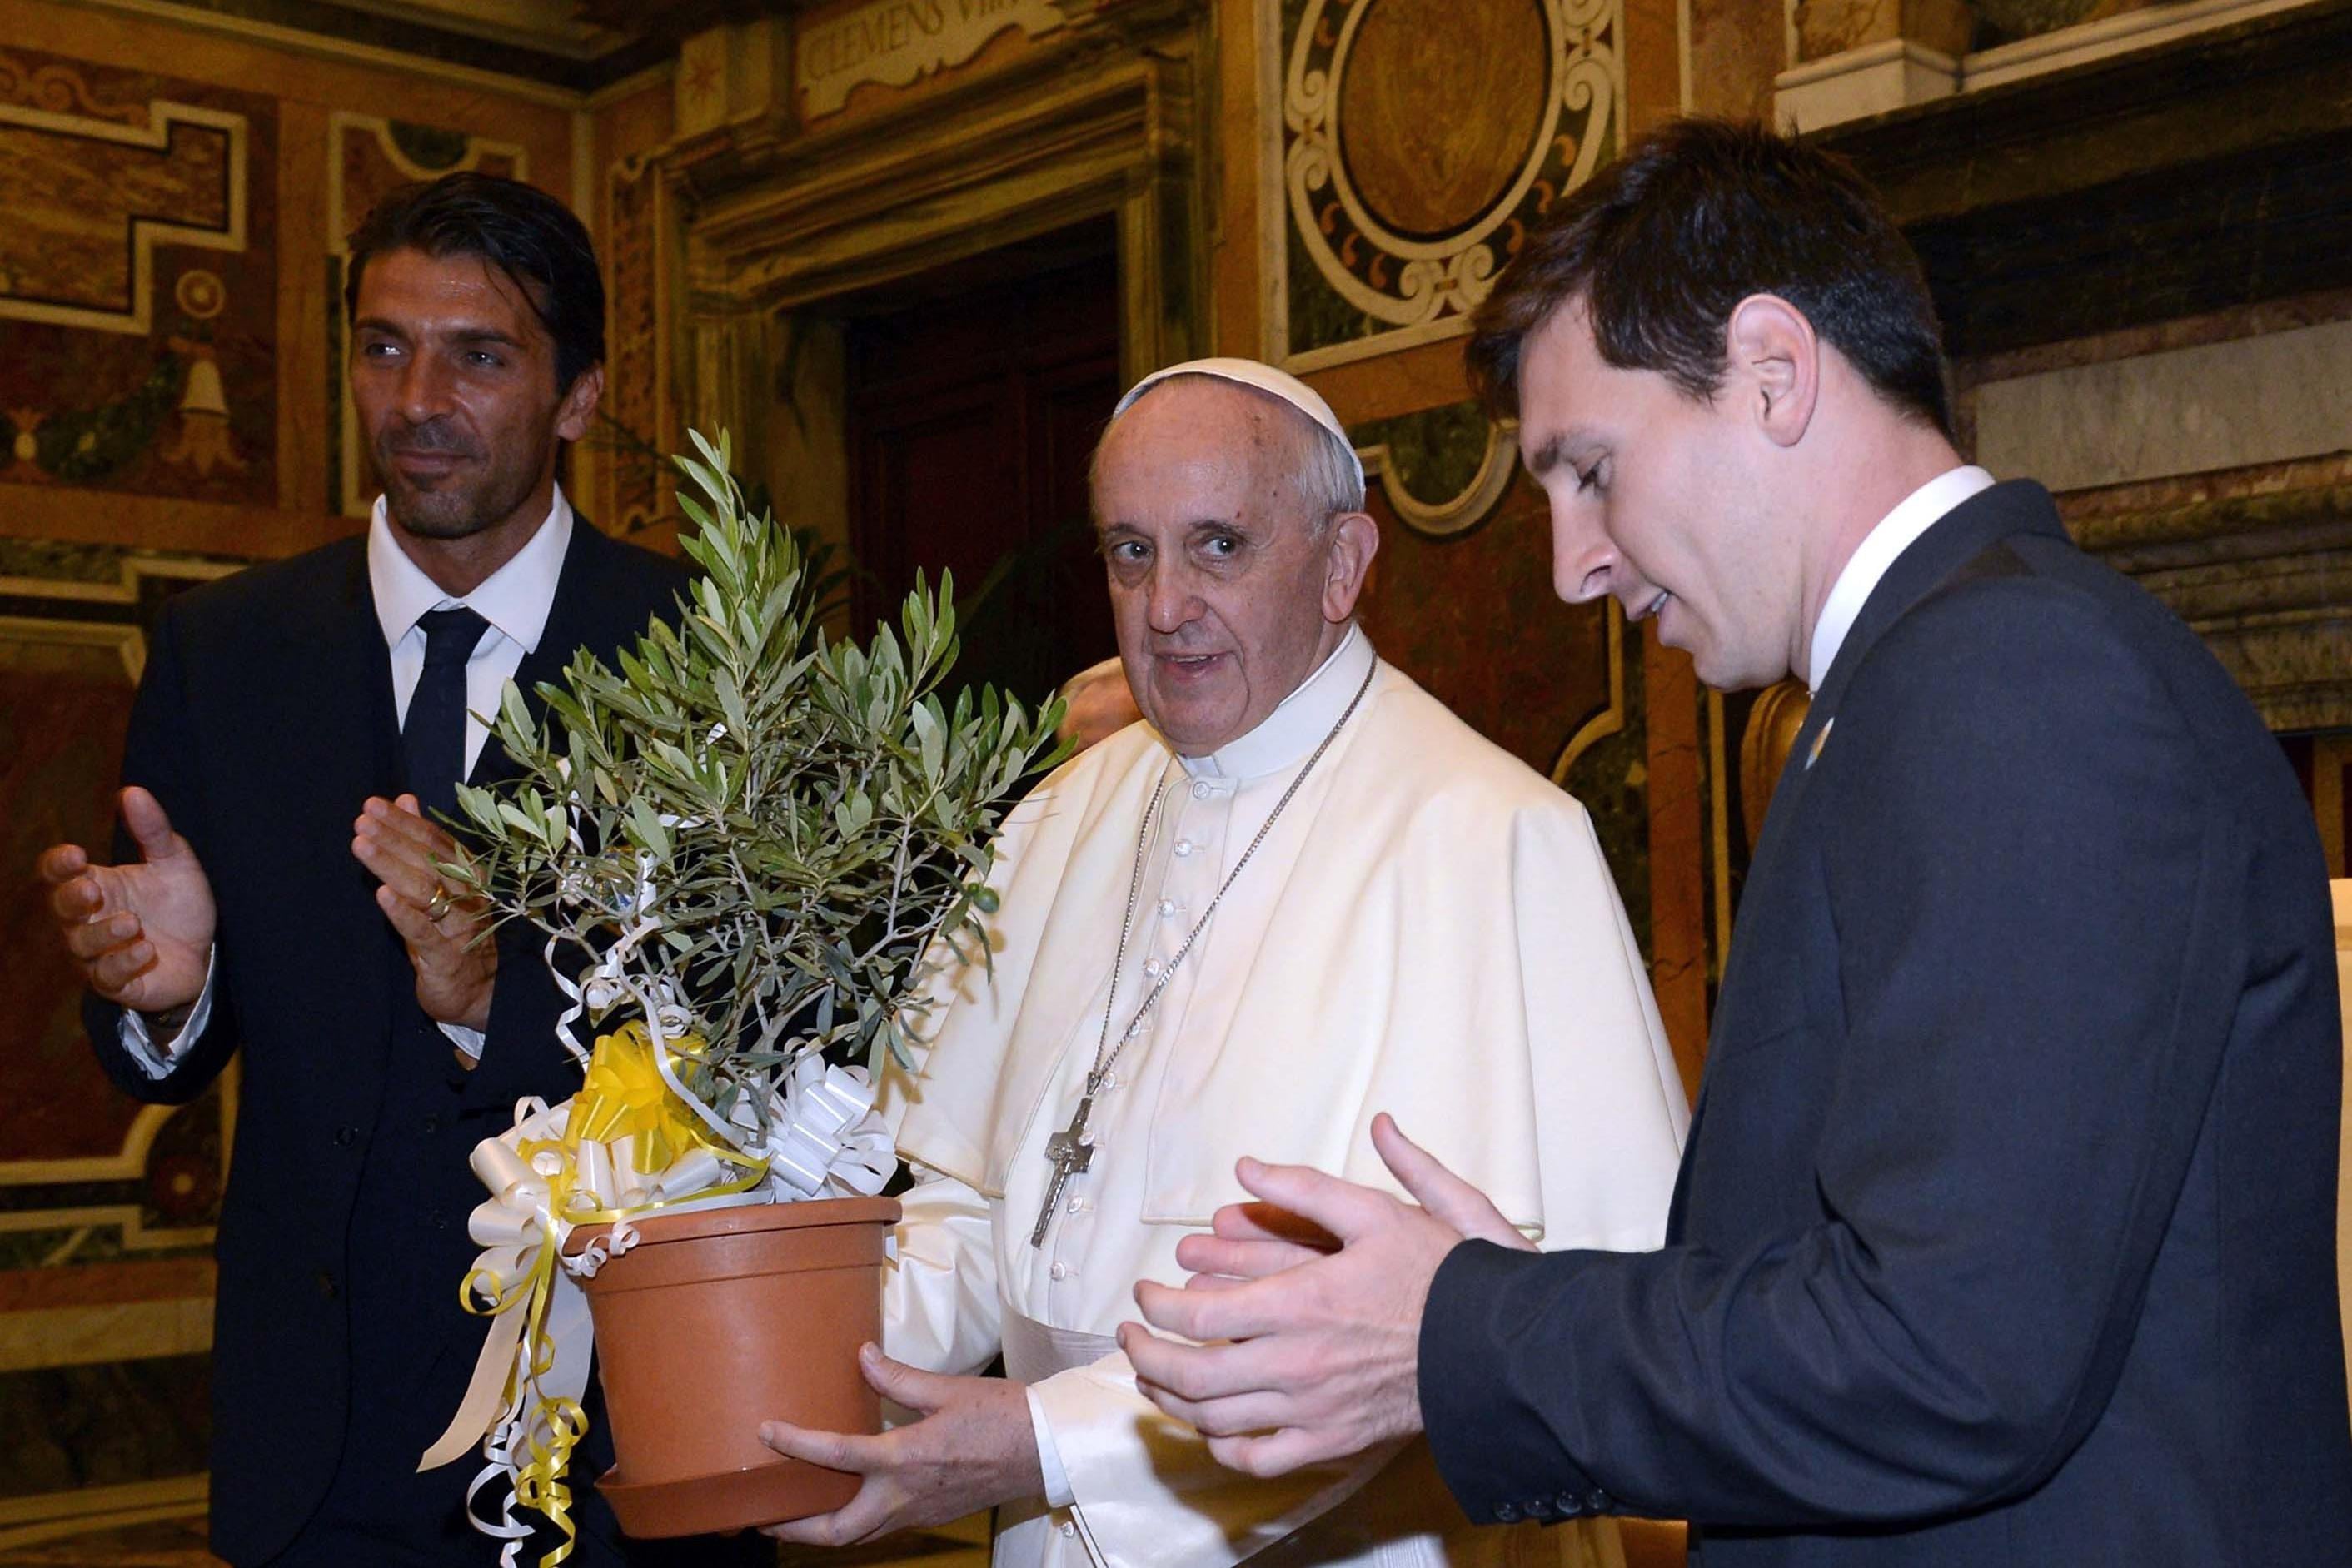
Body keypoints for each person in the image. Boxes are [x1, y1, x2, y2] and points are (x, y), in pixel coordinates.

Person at [1120, 120, 2352, 1563]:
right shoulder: (1921, 685)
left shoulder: (2014, 680)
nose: (1575, 562)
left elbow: (1953, 1356)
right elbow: (1873, 1280)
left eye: (1590, 469)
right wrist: (1491, 1300)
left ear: (1772, 372)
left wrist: (1461, 1331)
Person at [750, 358, 1690, 1568]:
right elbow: (980, 1208)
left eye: (1219, 548)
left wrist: (1045, 1442)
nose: (1165, 606)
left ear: (1343, 565)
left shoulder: (1491, 838)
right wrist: (796, 1363)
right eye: (1130, 552)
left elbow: (1439, 1342)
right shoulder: (1057, 820)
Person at [37, 172, 761, 1568]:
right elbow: (166, 1060)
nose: (417, 396)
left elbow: (770, 1065)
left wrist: (497, 996)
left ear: (579, 395)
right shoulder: (224, 653)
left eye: (478, 355)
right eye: (383, 346)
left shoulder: (705, 659)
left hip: (627, 1445)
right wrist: (172, 996)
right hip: (317, 1457)